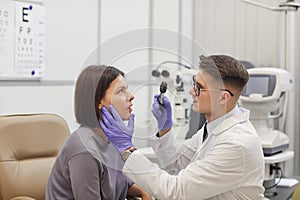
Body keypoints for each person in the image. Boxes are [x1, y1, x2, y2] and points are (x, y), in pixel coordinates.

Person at [100, 55, 265, 199]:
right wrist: (165, 129)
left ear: (223, 98)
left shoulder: (235, 143)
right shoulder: (213, 128)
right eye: (194, 82)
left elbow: (176, 192)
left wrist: (127, 149)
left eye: (199, 88)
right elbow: (176, 165)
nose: (192, 91)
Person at [45, 65, 152, 200]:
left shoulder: (112, 138)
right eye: (120, 91)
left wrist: (145, 193)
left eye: (127, 90)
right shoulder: (85, 150)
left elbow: (121, 183)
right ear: (97, 101)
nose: (131, 96)